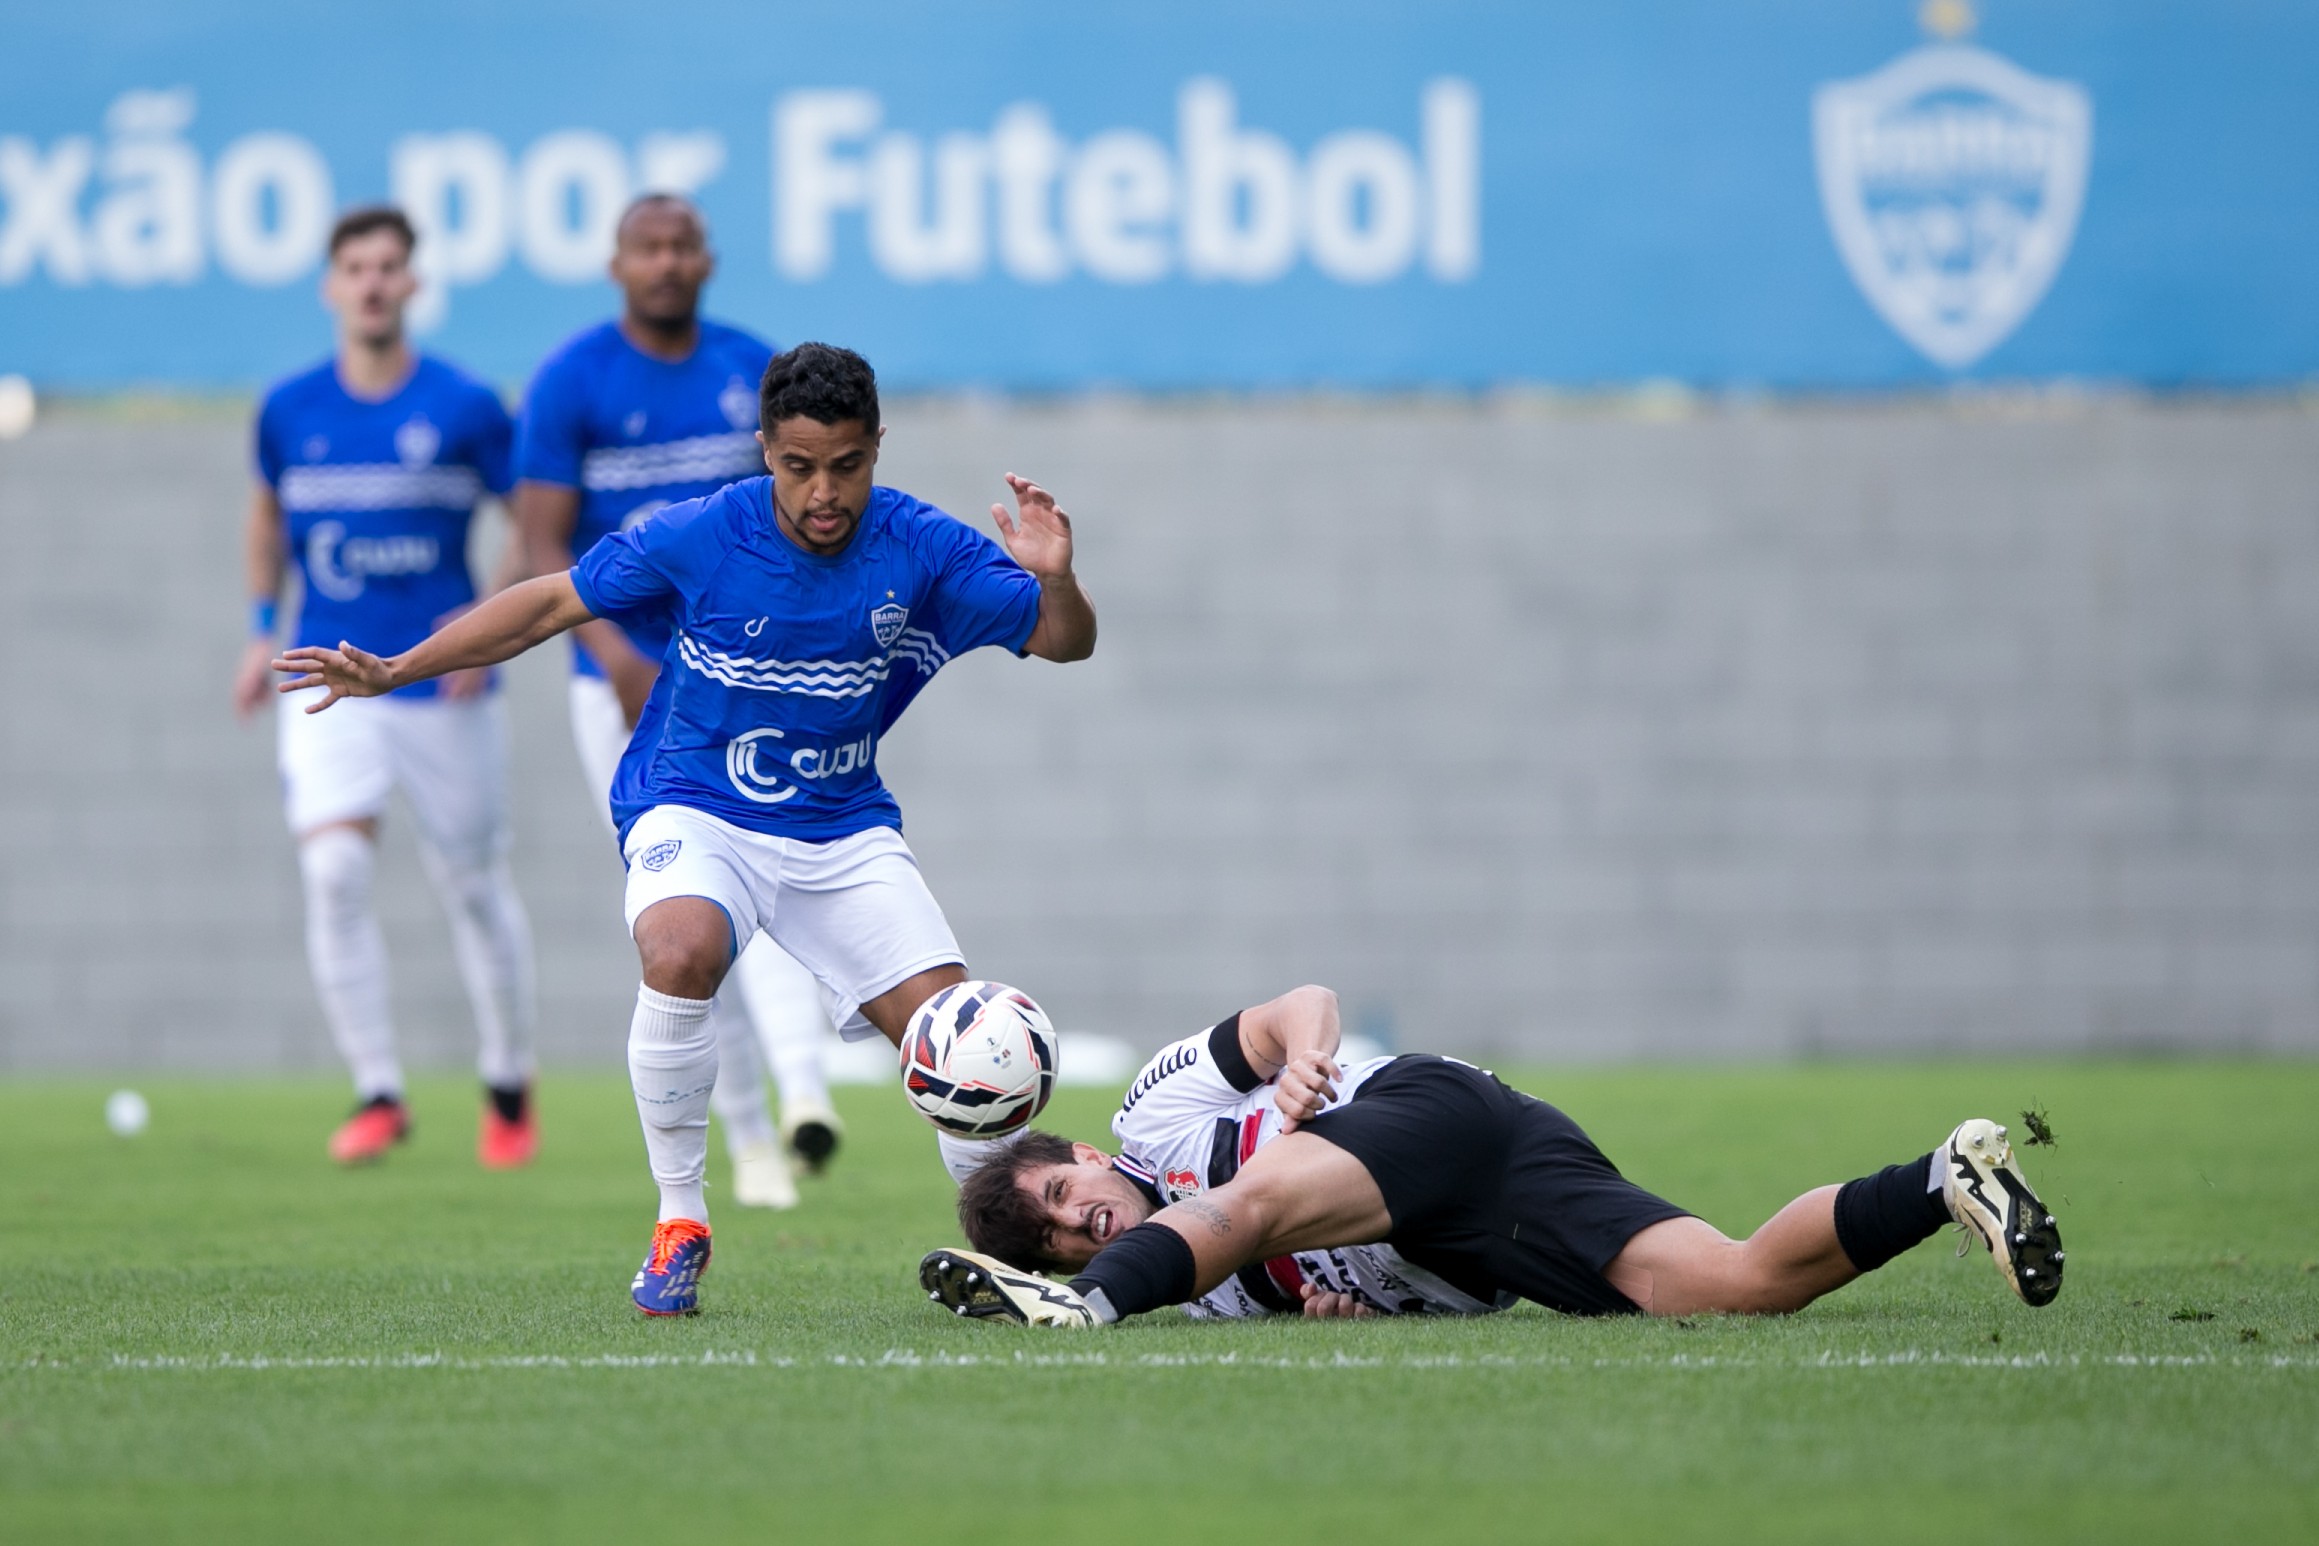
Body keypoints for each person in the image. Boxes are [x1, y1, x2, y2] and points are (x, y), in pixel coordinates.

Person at [275, 342, 1098, 1315]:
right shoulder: (709, 531)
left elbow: (1061, 640)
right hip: (695, 805)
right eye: (797, 467)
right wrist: (396, 669)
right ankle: (680, 1219)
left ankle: (1036, 1262)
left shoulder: (923, 545)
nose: (822, 491)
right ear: (764, 451)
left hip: (840, 830)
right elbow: (548, 601)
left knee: (963, 1047)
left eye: (846, 465)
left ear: (878, 446)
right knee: (679, 948)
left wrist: (1055, 579)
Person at [925, 985, 2064, 1326]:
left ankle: (1083, 1322)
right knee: (1729, 1286)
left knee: (1259, 1195)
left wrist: (1307, 1061)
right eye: (1067, 1244)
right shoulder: (1215, 1302)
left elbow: (1299, 1005)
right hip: (1468, 1223)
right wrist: (1357, 1324)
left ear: (1079, 1149)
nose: (1085, 1220)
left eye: (1065, 1192)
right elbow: (1376, 1290)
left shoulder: (1153, 1113)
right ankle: (1943, 1176)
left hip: (1435, 1109)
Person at [509, 192, 828, 1210]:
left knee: (777, 874)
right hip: (621, 686)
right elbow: (540, 545)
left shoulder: (754, 369)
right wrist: (609, 653)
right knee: (687, 912)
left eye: (683, 244)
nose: (666, 262)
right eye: (647, 247)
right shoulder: (571, 380)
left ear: (708, 259)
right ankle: (748, 1137)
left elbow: (807, 514)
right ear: (615, 264)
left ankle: (808, 1092)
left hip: (744, 674)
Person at [230, 205, 539, 1168]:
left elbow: (534, 522)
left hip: (435, 685)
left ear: (411, 283)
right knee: (333, 871)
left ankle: (507, 1086)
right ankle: (377, 1089)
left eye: (388, 267)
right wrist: (256, 632)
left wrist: (481, 632)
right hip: (325, 671)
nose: (371, 283)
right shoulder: (289, 409)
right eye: (354, 267)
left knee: (473, 885)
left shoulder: (464, 405)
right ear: (331, 285)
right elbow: (268, 519)